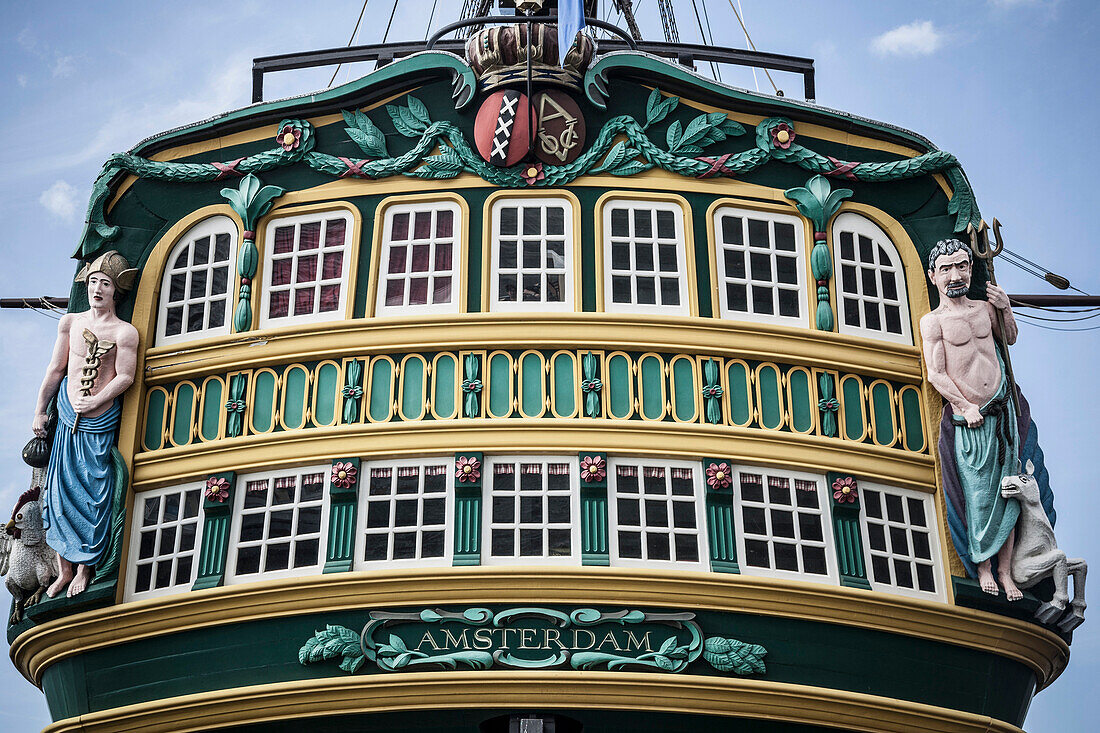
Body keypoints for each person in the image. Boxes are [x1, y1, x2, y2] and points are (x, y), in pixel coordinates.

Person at [32, 251, 138, 598]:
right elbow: (55, 370)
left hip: (98, 420)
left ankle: (84, 568)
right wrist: (39, 410)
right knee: (59, 493)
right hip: (65, 416)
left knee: (93, 492)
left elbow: (125, 376)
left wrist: (95, 400)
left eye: (104, 283)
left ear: (115, 291)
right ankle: (63, 570)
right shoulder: (71, 323)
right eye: (93, 281)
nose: (97, 289)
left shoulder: (124, 332)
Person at [920, 238, 1022, 599]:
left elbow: (1008, 340)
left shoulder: (983, 308)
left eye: (962, 265)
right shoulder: (933, 322)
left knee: (1009, 492)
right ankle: (983, 567)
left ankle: (1006, 572)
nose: (955, 274)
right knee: (979, 494)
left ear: (970, 268)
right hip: (972, 417)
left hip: (1000, 408)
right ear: (933, 275)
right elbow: (937, 373)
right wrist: (965, 407)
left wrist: (1005, 308)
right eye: (946, 268)